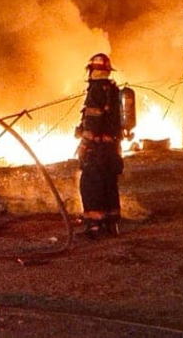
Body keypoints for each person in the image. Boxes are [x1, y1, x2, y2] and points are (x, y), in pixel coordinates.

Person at [75, 52, 125, 239]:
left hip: (97, 149)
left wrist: (83, 144)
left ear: (92, 70)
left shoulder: (96, 90)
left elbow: (94, 121)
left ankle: (95, 226)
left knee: (90, 185)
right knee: (109, 184)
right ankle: (111, 224)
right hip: (112, 148)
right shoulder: (113, 89)